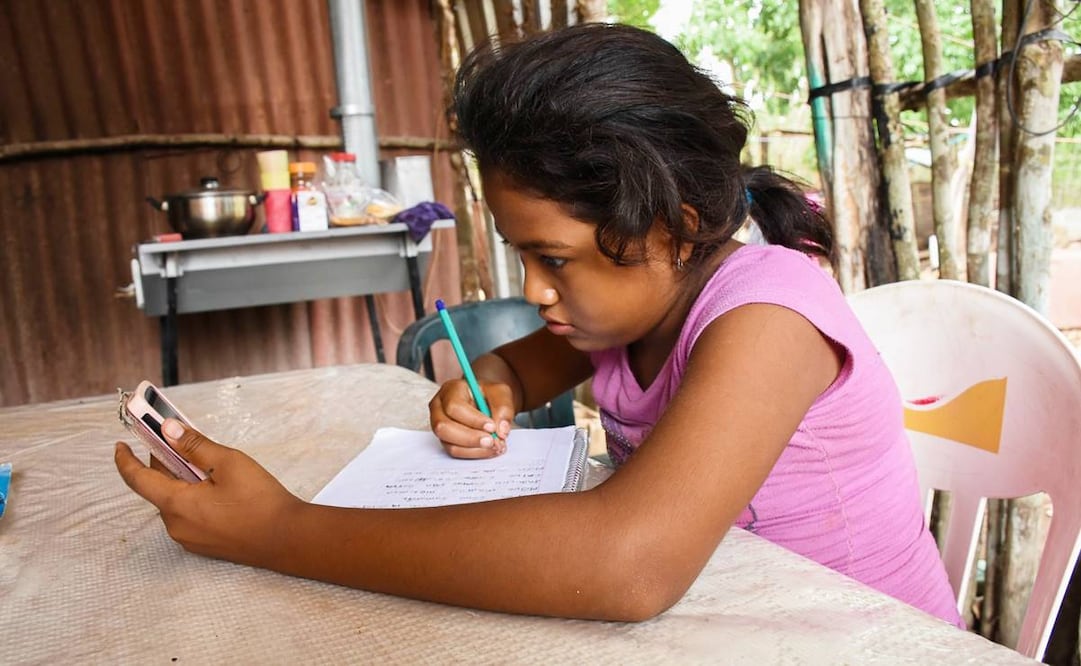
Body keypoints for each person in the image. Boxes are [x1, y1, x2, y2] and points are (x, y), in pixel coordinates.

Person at [115, 22, 962, 627]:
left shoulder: (769, 317)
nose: (536, 291)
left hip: (871, 639)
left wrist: (280, 531)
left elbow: (627, 564)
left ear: (673, 224)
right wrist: (482, 388)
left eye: (553, 259)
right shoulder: (626, 312)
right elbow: (521, 370)